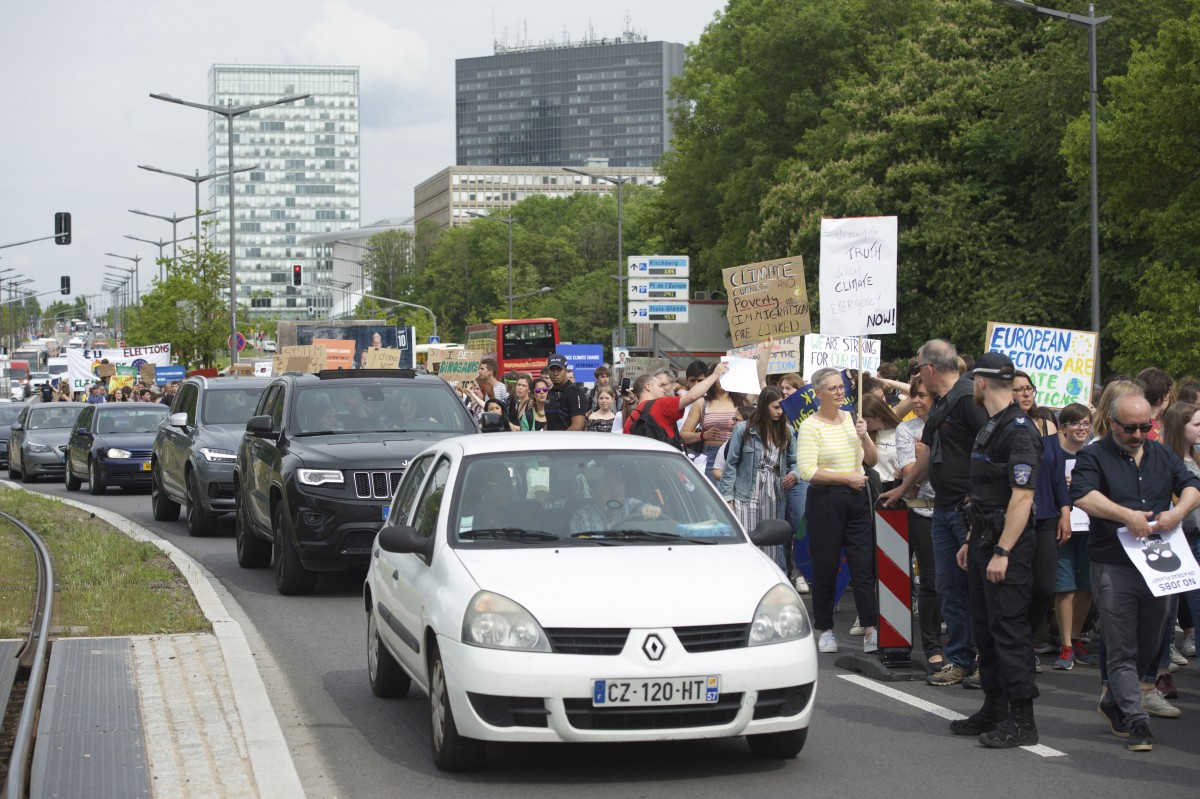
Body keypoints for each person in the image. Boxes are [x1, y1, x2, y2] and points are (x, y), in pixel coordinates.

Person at [1071, 392, 1200, 752]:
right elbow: (1081, 494)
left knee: (1152, 641)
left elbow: (1191, 485)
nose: (1139, 434)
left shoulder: (1161, 453)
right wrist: (1125, 515)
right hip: (1114, 563)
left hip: (1160, 564)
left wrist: (1177, 513)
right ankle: (1136, 719)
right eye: (1131, 428)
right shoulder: (1094, 455)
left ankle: (1115, 698)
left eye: (1146, 426)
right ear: (1112, 423)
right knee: (1122, 644)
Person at [949, 352, 1043, 749]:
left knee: (1008, 630)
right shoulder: (992, 425)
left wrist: (1004, 550)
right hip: (986, 540)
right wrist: (973, 541)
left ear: (982, 383)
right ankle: (995, 706)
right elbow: (986, 496)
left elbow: (1022, 498)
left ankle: (1022, 719)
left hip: (1009, 547)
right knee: (985, 629)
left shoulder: (1018, 429)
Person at [882, 339, 987, 686]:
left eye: (919, 368)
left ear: (929, 370)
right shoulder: (942, 403)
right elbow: (929, 454)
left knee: (977, 586)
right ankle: (960, 660)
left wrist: (978, 497)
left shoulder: (970, 398)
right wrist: (903, 486)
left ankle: (985, 660)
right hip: (944, 508)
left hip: (968, 510)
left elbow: (991, 448)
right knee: (948, 586)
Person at [797, 367, 879, 655]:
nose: (840, 392)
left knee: (863, 565)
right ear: (818, 394)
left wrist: (865, 436)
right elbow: (807, 470)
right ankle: (826, 629)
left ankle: (870, 628)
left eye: (842, 387)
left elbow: (871, 460)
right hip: (826, 502)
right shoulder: (810, 426)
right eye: (832, 388)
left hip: (856, 499)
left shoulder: (853, 421)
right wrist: (846, 478)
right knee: (826, 567)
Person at [719, 386, 797, 571]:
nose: (780, 411)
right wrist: (727, 497)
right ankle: (743, 577)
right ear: (764, 406)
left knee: (769, 541)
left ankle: (767, 579)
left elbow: (796, 462)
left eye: (782, 407)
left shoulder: (787, 431)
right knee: (747, 539)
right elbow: (730, 464)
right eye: (776, 407)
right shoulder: (743, 429)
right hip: (746, 490)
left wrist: (794, 475)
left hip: (773, 491)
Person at [896, 372, 943, 667]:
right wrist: (923, 460)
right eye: (914, 394)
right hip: (922, 511)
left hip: (953, 510)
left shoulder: (951, 426)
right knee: (931, 580)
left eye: (922, 395)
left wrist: (925, 457)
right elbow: (909, 481)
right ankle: (932, 646)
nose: (915, 400)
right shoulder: (907, 429)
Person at [1051, 403, 1097, 670]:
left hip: (1090, 529)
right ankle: (1066, 645)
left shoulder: (1094, 456)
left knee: (1085, 586)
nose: (1081, 428)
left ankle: (1077, 638)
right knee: (1065, 586)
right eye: (1076, 423)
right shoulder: (1053, 455)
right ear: (1063, 427)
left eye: (1085, 423)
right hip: (1063, 529)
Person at [623, 362, 729, 446]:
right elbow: (692, 396)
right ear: (648, 387)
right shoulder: (659, 404)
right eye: (660, 386)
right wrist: (715, 374)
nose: (663, 390)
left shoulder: (630, 418)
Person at [682, 361, 745, 484]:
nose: (722, 380)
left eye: (726, 376)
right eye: (720, 376)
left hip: (738, 455)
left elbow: (759, 379)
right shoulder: (702, 402)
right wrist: (702, 435)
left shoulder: (741, 402)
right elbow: (683, 435)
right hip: (711, 456)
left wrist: (766, 351)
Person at [569, 466, 661, 533]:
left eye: (618, 481)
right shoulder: (581, 517)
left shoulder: (631, 505)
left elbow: (643, 507)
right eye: (607, 483)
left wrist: (650, 510)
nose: (615, 488)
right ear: (593, 493)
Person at [542, 354, 588, 431]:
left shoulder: (575, 393)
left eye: (559, 369)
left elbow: (577, 426)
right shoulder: (550, 393)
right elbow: (551, 422)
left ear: (566, 370)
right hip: (550, 441)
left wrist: (558, 441)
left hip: (569, 441)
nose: (555, 373)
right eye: (552, 369)